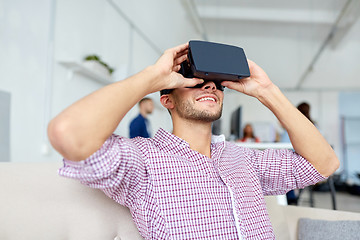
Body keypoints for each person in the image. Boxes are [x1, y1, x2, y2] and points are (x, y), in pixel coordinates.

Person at [48, 42, 339, 239]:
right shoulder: (143, 161)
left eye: (217, 82)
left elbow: (324, 164)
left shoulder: (245, 159)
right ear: (166, 98)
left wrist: (267, 91)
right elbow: (68, 134)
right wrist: (153, 76)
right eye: (194, 78)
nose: (209, 84)